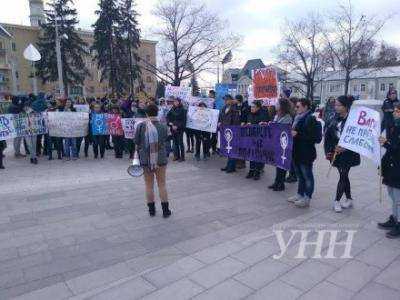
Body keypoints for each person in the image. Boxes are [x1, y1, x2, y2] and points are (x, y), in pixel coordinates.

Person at [324, 96, 360, 213]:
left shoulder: (353, 120)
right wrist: (329, 150)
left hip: (348, 154)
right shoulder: (333, 118)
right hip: (336, 153)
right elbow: (328, 137)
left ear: (346, 106)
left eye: (339, 105)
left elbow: (357, 139)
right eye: (336, 105)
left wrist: (346, 148)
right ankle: (349, 199)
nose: (336, 107)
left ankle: (336, 201)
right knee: (344, 175)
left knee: (343, 174)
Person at [135, 103, 171, 218]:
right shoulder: (163, 126)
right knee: (162, 184)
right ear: (157, 112)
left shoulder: (141, 126)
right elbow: (166, 139)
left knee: (148, 185)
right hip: (160, 158)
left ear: (146, 113)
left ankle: (151, 210)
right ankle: (165, 210)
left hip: (146, 159)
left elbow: (136, 141)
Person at [289, 98, 321, 207]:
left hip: (306, 152)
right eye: (296, 106)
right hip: (296, 151)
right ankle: (300, 194)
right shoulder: (298, 118)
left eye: (298, 106)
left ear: (305, 106)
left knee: (307, 176)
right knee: (300, 175)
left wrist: (297, 134)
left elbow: (314, 138)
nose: (296, 108)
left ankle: (307, 198)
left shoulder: (310, 118)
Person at [378, 102, 400, 238]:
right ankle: (394, 218)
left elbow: (396, 148)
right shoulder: (394, 126)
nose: (394, 113)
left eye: (397, 111)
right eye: (395, 110)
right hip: (391, 166)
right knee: (392, 195)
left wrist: (385, 143)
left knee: (398, 198)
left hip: (398, 167)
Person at [269, 98, 293, 191]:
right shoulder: (276, 116)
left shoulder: (287, 117)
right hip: (276, 143)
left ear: (282, 106)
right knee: (277, 164)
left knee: (282, 164)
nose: (275, 105)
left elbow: (283, 129)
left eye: (277, 103)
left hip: (284, 144)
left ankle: (281, 183)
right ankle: (276, 182)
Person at [245, 101, 270, 180]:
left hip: (260, 139)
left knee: (258, 155)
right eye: (251, 107)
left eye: (253, 107)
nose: (252, 108)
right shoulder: (249, 115)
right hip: (251, 138)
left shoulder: (263, 115)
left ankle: (257, 172)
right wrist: (247, 125)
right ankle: (251, 170)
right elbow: (247, 124)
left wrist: (263, 124)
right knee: (252, 154)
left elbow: (267, 125)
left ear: (258, 108)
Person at [219, 94, 241, 173]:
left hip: (232, 131)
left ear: (231, 100)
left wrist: (232, 128)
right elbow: (221, 117)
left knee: (232, 150)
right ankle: (228, 165)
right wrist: (220, 123)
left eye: (227, 99)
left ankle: (232, 167)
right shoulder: (224, 108)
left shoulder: (235, 108)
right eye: (224, 100)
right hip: (225, 130)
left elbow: (236, 120)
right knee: (228, 149)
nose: (225, 101)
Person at [167, 97, 186, 162]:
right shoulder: (172, 109)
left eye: (176, 101)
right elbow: (168, 116)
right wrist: (169, 123)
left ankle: (182, 157)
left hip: (179, 128)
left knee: (180, 142)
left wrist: (177, 126)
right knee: (175, 143)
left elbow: (184, 120)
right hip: (173, 127)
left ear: (179, 102)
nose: (175, 103)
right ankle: (176, 156)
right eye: (174, 101)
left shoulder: (182, 110)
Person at [209, 90, 218, 154]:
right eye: (209, 95)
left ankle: (213, 149)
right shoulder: (207, 101)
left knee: (214, 136)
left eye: (211, 95)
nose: (210, 96)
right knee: (207, 136)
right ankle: (207, 149)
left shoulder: (216, 102)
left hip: (215, 120)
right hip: (208, 121)